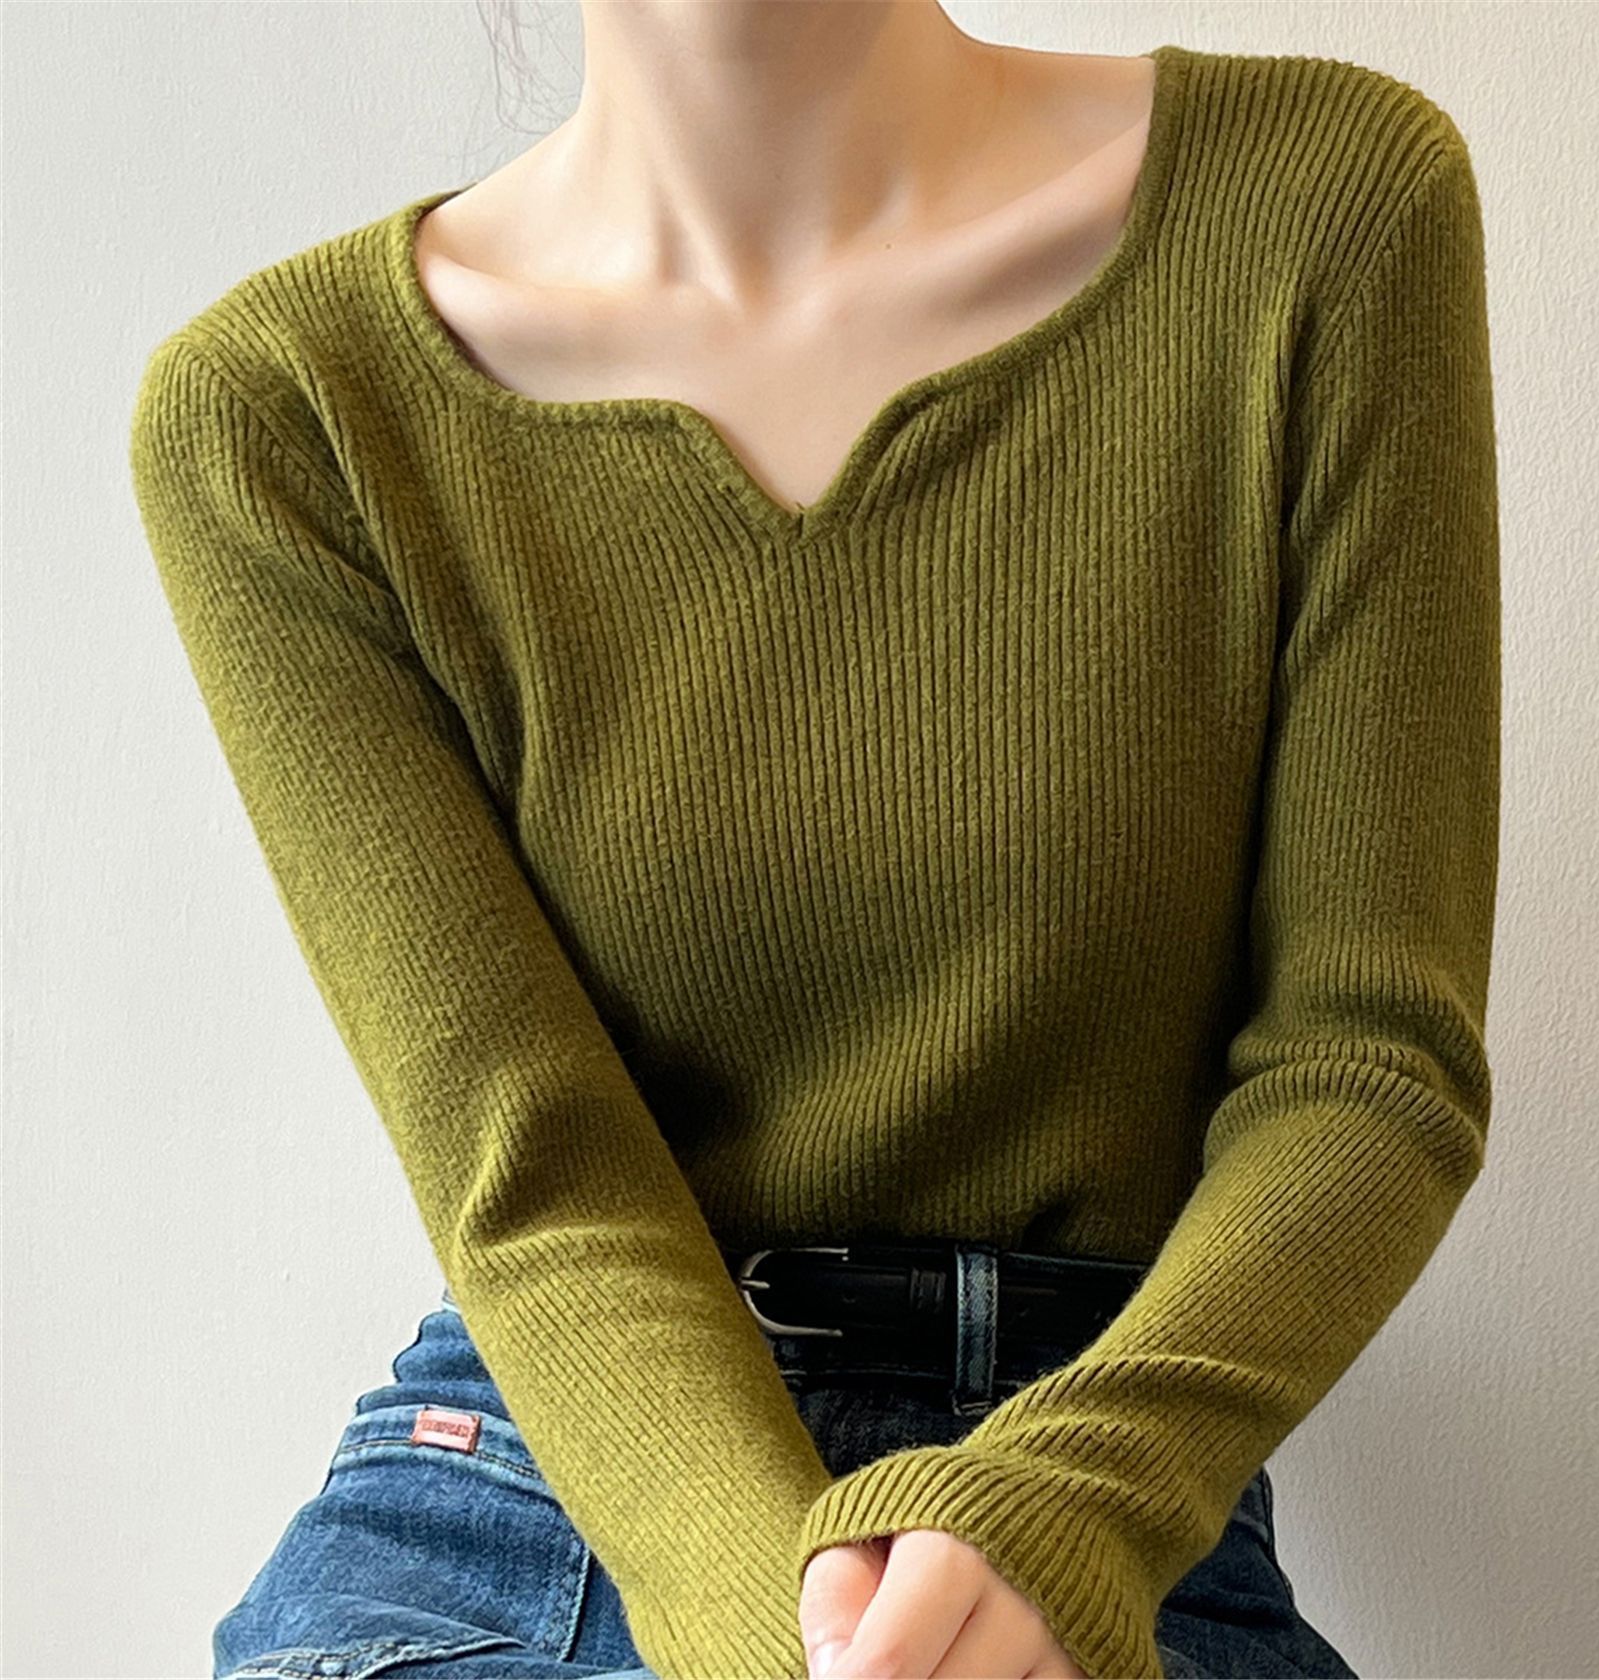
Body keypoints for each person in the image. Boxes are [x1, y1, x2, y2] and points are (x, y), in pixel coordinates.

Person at [127, 5, 1501, 1678]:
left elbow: (1369, 1062)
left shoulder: (1323, 210)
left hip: (1096, 1498)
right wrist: (788, 1645)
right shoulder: (286, 416)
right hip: (544, 1502)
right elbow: (536, 1180)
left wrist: (1076, 1509)